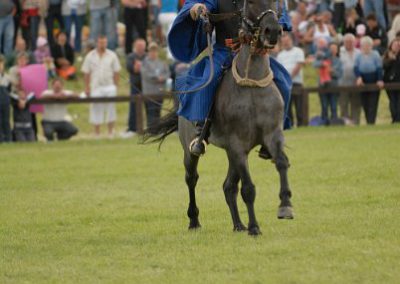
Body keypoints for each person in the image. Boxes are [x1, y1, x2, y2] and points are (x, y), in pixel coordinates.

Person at [168, 0, 293, 157]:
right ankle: (201, 133)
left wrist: (278, 22)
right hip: (224, 51)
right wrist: (198, 9)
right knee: (209, 79)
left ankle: (275, 132)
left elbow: (277, 7)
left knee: (284, 82)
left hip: (254, 53)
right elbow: (200, 4)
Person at [81, 35, 121, 137]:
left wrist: (116, 85)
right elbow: (86, 73)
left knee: (111, 108)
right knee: (95, 108)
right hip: (96, 86)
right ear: (97, 43)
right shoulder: (90, 56)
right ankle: (97, 133)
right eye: (100, 42)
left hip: (109, 85)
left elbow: (117, 71)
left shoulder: (112, 55)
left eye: (104, 42)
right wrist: (87, 87)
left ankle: (110, 132)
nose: (102, 44)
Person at [277, 33, 306, 127]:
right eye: (283, 41)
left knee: (299, 105)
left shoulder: (298, 51)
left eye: (287, 40)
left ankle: (301, 124)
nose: (285, 42)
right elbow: (279, 69)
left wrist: (289, 78)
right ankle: (290, 124)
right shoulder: (280, 55)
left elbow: (299, 65)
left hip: (296, 82)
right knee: (288, 106)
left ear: (291, 40)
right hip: (284, 84)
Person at [354, 36, 384, 125]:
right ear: (361, 46)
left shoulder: (375, 54)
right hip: (363, 80)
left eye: (368, 45)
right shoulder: (359, 55)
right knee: (365, 103)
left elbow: (379, 68)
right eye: (364, 45)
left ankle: (371, 122)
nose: (366, 47)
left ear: (371, 46)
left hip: (374, 79)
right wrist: (359, 77)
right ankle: (368, 121)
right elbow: (356, 68)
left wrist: (379, 79)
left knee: (373, 103)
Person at [141, 42, 170, 128]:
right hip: (149, 92)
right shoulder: (145, 63)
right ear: (148, 51)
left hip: (159, 92)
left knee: (158, 111)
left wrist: (163, 78)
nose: (153, 52)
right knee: (150, 111)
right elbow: (146, 75)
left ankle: (157, 129)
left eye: (155, 50)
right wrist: (157, 78)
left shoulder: (162, 63)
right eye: (151, 50)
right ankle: (151, 129)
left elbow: (167, 73)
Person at [313, 39, 343, 125]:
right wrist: (323, 64)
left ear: (337, 50)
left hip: (334, 85)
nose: (333, 50)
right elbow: (314, 64)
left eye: (335, 48)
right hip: (323, 86)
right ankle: (324, 123)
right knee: (324, 106)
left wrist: (332, 72)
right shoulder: (323, 58)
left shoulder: (339, 61)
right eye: (331, 48)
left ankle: (334, 123)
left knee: (334, 106)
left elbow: (340, 74)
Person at [121, 38, 147, 138]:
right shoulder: (130, 57)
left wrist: (140, 67)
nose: (141, 48)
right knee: (133, 107)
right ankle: (132, 128)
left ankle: (148, 127)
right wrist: (139, 68)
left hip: (146, 85)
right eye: (139, 46)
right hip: (135, 85)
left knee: (148, 106)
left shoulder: (147, 56)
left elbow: (148, 69)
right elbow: (131, 68)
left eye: (143, 46)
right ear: (135, 46)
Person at [339, 33, 362, 124]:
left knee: (356, 104)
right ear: (343, 42)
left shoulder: (359, 52)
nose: (349, 43)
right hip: (342, 83)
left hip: (356, 83)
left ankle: (355, 123)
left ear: (354, 42)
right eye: (347, 42)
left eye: (351, 42)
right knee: (343, 104)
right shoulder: (339, 51)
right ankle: (345, 123)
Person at [383, 38, 400, 123]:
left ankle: (398, 119)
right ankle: (394, 119)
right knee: (393, 101)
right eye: (395, 45)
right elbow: (384, 67)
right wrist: (390, 60)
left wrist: (396, 58)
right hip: (389, 84)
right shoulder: (386, 56)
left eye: (398, 45)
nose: (396, 47)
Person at [0, 55, 12, 143]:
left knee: (6, 121)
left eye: (1, 63)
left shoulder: (7, 77)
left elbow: (9, 90)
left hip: (5, 101)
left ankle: (8, 139)